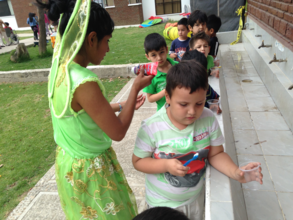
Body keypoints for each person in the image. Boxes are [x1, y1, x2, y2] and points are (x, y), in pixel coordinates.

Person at [36, 0, 154, 219]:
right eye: (106, 41)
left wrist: (121, 105)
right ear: (91, 39)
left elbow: (81, 111)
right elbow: (117, 132)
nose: (108, 48)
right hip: (91, 172)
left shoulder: (59, 70)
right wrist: (135, 87)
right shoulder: (83, 81)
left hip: (69, 164)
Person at [132, 61, 263, 220]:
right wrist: (165, 164)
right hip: (162, 206)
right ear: (167, 97)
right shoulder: (151, 127)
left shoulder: (207, 119)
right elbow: (138, 161)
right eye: (183, 104)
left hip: (195, 200)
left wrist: (236, 172)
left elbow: (215, 154)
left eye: (199, 103)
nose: (192, 111)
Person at [143, 33, 178, 111]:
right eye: (153, 55)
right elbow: (150, 98)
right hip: (163, 113)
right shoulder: (149, 76)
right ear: (148, 57)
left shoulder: (178, 66)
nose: (159, 58)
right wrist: (166, 91)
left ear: (166, 50)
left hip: (181, 109)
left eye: (161, 52)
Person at [181, 50, 222, 114]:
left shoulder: (206, 87)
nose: (194, 79)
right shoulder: (180, 91)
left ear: (205, 72)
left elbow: (214, 98)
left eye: (198, 75)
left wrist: (213, 104)